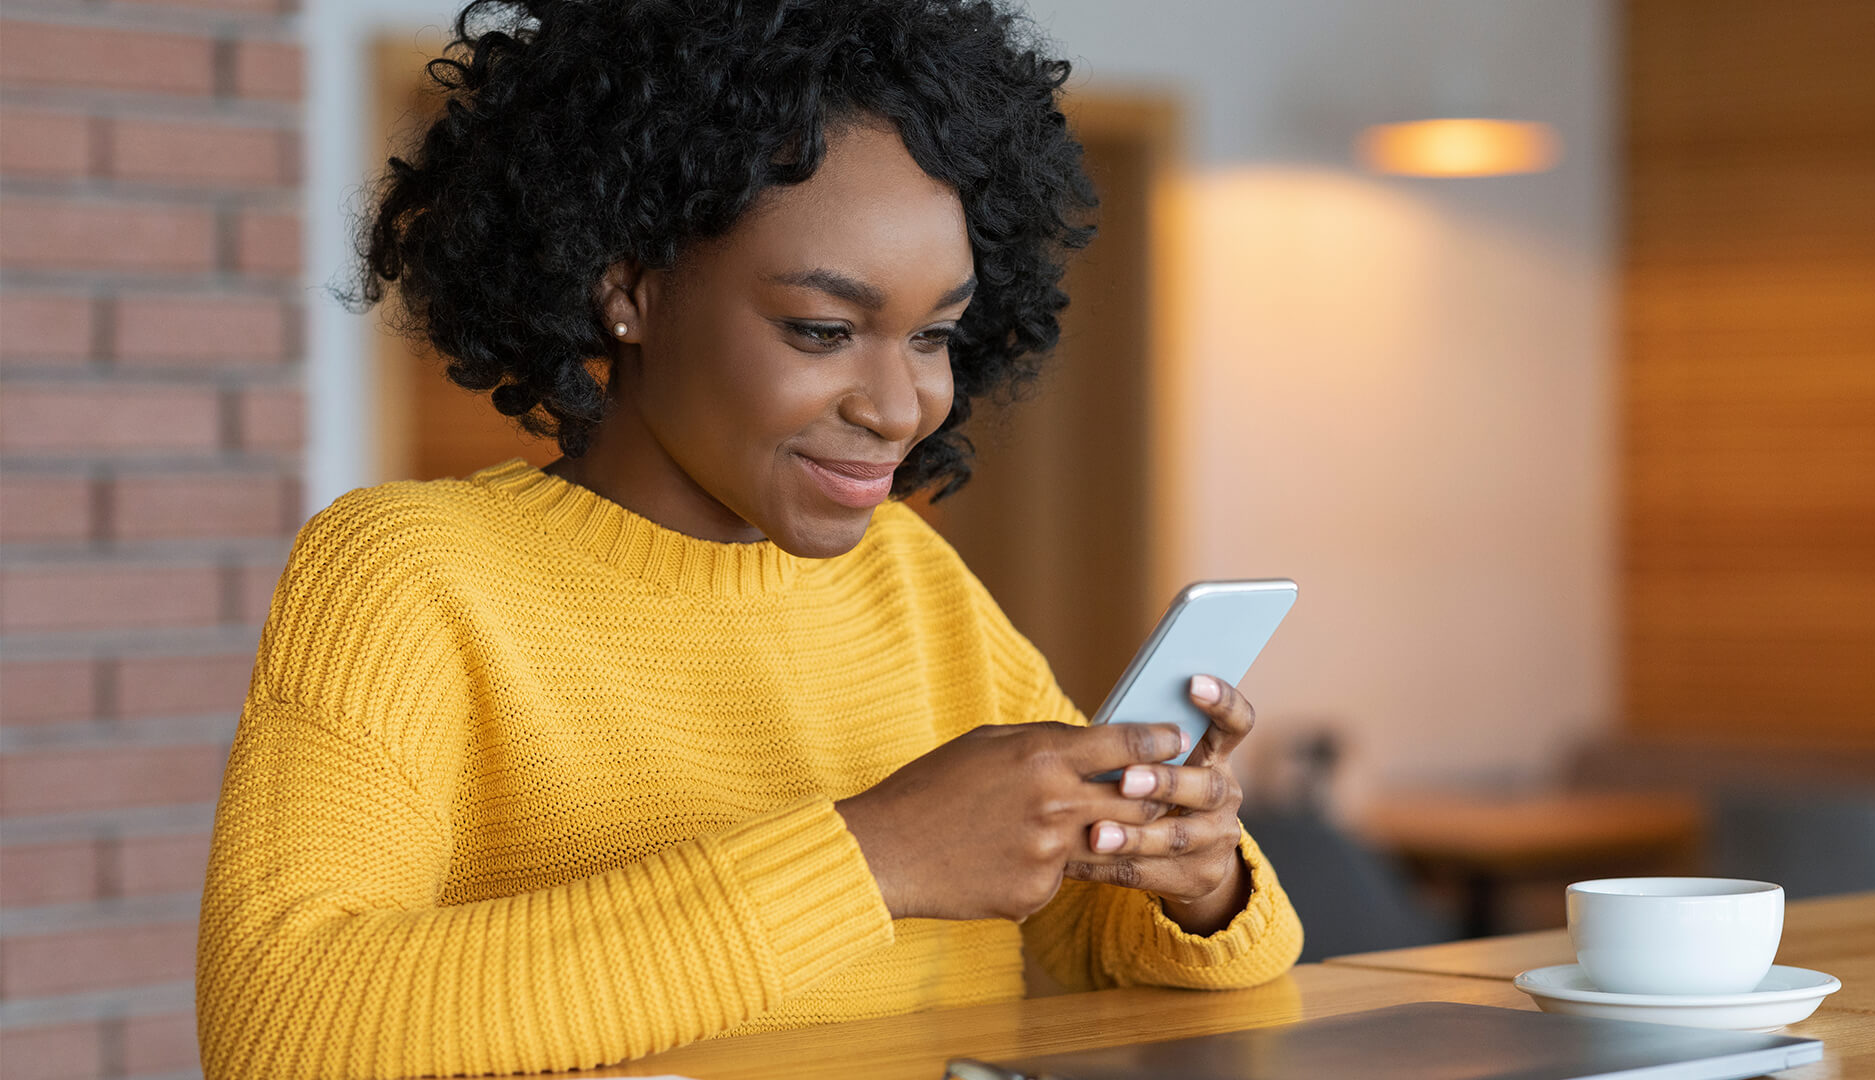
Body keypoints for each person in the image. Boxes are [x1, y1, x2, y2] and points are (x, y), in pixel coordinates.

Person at [194, 1, 1303, 1077]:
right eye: (823, 330)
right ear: (625, 285)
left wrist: (1190, 882)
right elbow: (283, 1022)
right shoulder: (409, 575)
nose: (899, 405)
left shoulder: (911, 581)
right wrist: (879, 858)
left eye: (933, 336)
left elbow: (1129, 969)